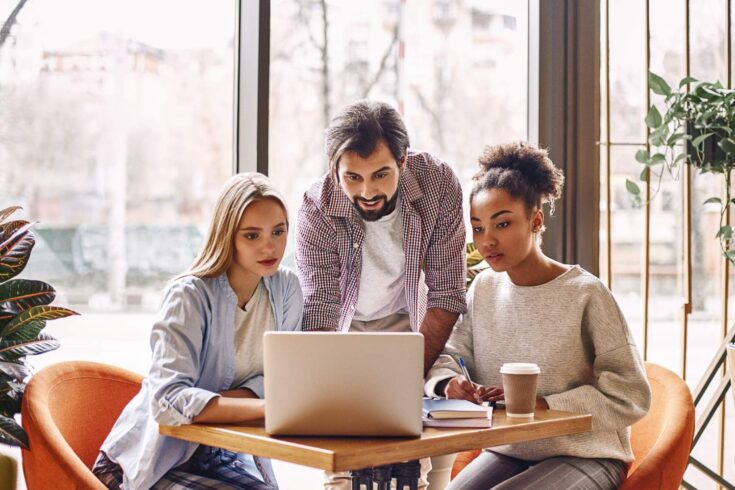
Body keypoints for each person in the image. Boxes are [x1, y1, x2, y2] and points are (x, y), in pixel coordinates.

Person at [425, 142, 651, 490]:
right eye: (479, 227)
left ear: (536, 220)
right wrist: (448, 383)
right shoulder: (483, 289)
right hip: (510, 451)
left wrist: (545, 403)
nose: (487, 241)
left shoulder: (586, 294)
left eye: (502, 224)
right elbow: (448, 355)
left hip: (587, 455)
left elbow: (631, 394)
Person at [92, 173, 303, 490]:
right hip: (148, 464)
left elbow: (282, 379)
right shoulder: (189, 295)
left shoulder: (286, 288)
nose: (269, 246)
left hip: (222, 456)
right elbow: (167, 402)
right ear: (227, 235)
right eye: (251, 236)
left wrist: (216, 403)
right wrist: (262, 406)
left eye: (278, 231)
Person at [296, 100, 467, 489]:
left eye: (380, 174)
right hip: (343, 330)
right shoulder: (316, 208)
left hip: (410, 324)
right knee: (345, 464)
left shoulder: (438, 184)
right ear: (333, 168)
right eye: (352, 177)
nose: (367, 190)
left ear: (403, 162)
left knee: (408, 458)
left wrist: (404, 377)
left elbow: (446, 293)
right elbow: (320, 312)